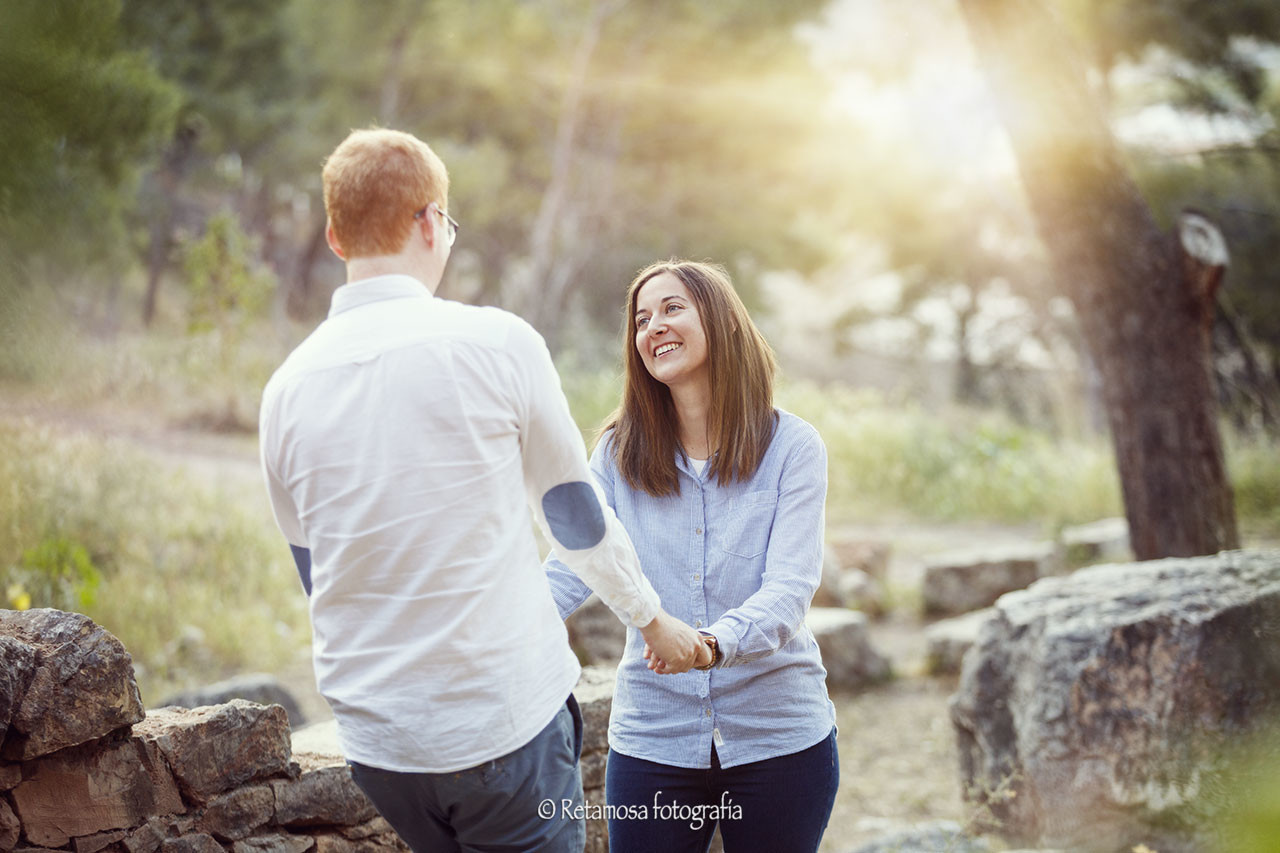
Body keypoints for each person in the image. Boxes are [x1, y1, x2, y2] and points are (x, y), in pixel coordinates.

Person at [259, 129, 704, 853]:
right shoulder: (497, 344)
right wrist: (652, 620)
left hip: (377, 744)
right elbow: (573, 515)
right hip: (498, 725)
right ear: (431, 222)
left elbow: (318, 571)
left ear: (336, 238)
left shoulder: (283, 391)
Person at [545, 260, 839, 853]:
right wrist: (490, 631)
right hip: (654, 739)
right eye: (641, 318)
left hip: (779, 739)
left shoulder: (793, 448)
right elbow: (574, 563)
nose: (653, 326)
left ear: (724, 322)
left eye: (672, 308)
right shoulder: (615, 453)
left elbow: (788, 591)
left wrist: (707, 647)